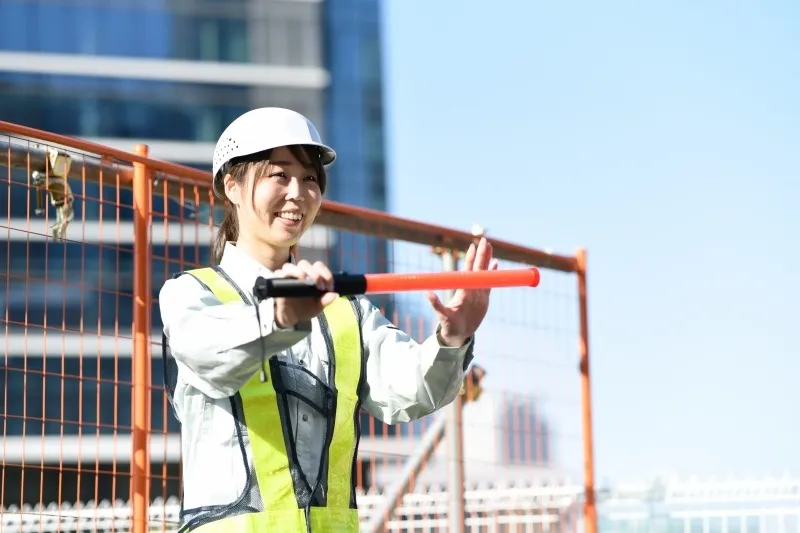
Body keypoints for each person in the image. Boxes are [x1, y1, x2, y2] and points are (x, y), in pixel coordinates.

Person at [158, 107, 498, 532]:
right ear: (232, 186)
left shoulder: (345, 309)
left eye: (310, 178)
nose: (298, 193)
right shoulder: (193, 294)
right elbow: (214, 358)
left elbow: (411, 391)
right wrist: (279, 318)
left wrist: (452, 338)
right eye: (279, 175)